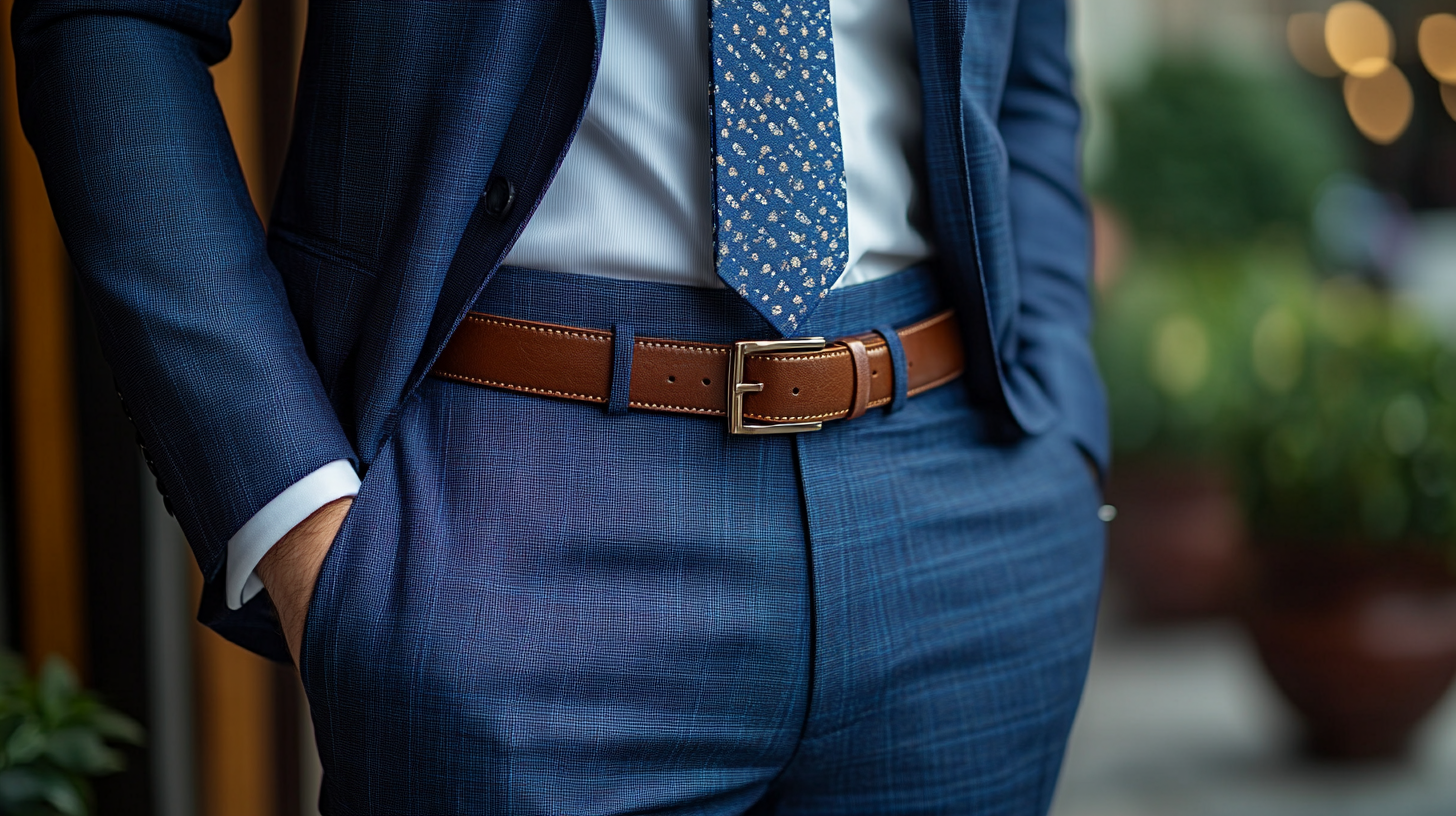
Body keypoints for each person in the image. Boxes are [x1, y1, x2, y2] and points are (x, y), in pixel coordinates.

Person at [14, 0, 1107, 812]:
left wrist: (1061, 416)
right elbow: (112, 20)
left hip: (955, 499)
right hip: (510, 517)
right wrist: (296, 519)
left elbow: (1025, 67)